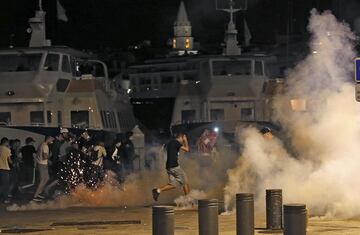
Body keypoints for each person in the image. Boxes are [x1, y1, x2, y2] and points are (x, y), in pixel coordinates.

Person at [152, 133, 190, 201]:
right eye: (182, 139)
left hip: (168, 167)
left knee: (173, 184)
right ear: (180, 137)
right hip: (174, 166)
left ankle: (158, 190)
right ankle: (189, 201)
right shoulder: (176, 142)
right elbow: (187, 149)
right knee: (185, 182)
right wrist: (185, 140)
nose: (182, 141)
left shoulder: (170, 142)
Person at [33, 136, 54, 202]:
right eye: (51, 139)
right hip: (42, 164)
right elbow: (45, 157)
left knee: (46, 178)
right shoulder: (45, 146)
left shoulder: (41, 144)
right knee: (42, 180)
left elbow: (37, 154)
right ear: (48, 139)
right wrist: (50, 155)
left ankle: (39, 193)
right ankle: (35, 196)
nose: (52, 140)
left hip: (41, 164)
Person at [0, 138, 12, 203]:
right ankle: (5, 199)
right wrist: (14, 164)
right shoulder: (7, 149)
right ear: (6, 142)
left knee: (1, 184)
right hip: (4, 168)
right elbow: (9, 161)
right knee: (5, 185)